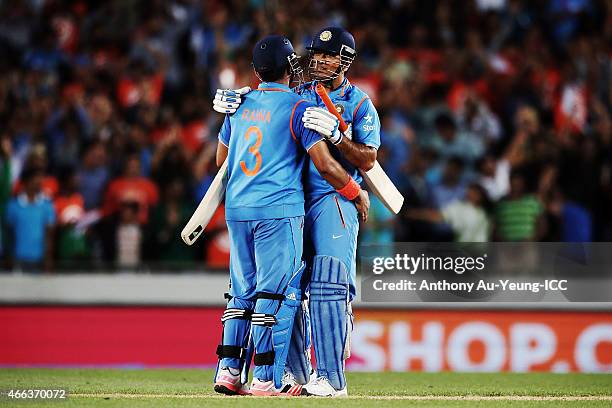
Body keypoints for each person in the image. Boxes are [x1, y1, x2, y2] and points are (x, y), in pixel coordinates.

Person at [214, 26, 381, 397]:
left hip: (332, 198)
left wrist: (339, 137)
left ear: (346, 60)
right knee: (285, 288)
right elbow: (265, 110)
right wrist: (234, 104)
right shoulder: (300, 95)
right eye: (316, 54)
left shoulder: (358, 103)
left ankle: (331, 379)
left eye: (329, 55)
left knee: (327, 283)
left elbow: (369, 157)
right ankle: (290, 374)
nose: (319, 60)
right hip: (290, 200)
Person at [5, 167, 56, 271]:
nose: (39, 182)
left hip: (39, 260)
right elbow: (9, 234)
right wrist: (9, 257)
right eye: (35, 180)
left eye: (41, 179)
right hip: (18, 258)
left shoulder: (47, 205)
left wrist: (48, 259)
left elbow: (49, 235)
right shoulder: (13, 205)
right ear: (26, 182)